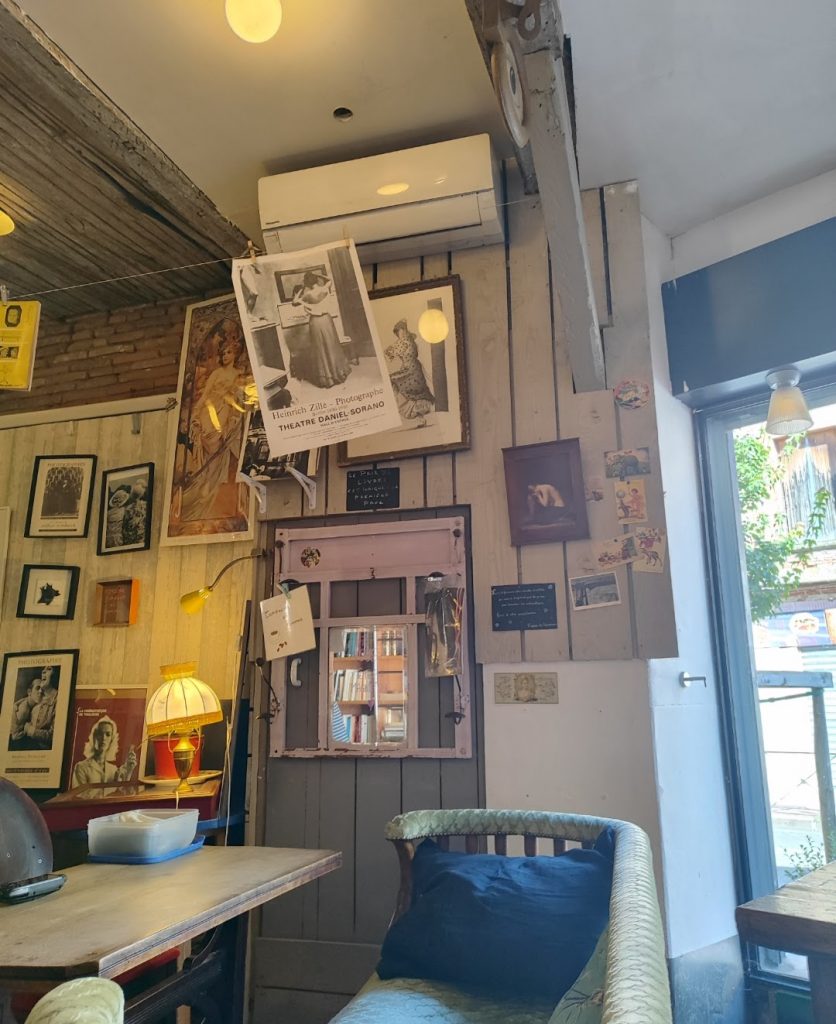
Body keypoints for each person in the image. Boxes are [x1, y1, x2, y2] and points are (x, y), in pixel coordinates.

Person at [180, 323, 248, 523]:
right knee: (208, 448)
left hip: (226, 413)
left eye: (228, 353)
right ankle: (203, 484)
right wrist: (195, 415)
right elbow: (205, 396)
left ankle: (211, 486)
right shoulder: (217, 374)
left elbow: (241, 399)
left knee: (220, 451)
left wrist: (236, 417)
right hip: (210, 413)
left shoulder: (238, 375)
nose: (225, 356)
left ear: (234, 354)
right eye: (223, 353)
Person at [291, 271, 350, 388]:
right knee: (332, 346)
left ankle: (328, 379)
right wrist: (320, 276)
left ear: (307, 283)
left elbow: (294, 302)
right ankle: (339, 373)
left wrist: (301, 289)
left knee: (321, 349)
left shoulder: (307, 295)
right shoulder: (324, 289)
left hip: (315, 322)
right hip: (327, 320)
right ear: (316, 280)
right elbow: (329, 280)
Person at [384, 319, 434, 427]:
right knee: (411, 392)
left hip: (411, 370)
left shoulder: (405, 342)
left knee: (408, 390)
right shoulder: (407, 341)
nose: (400, 333)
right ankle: (420, 419)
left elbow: (389, 353)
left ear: (405, 330)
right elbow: (389, 354)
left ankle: (419, 417)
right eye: (398, 332)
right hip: (411, 369)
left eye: (402, 330)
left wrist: (390, 353)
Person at [71, 716, 137, 787]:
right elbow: (80, 796)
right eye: (100, 733)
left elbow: (121, 794)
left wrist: (128, 772)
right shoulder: (81, 767)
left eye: (108, 734)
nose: (103, 738)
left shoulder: (113, 770)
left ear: (112, 739)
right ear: (94, 737)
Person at [9, 675, 45, 747]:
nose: (40, 691)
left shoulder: (28, 701)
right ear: (29, 692)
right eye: (37, 688)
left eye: (42, 689)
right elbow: (15, 736)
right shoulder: (24, 710)